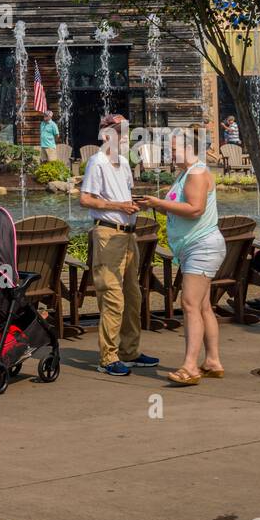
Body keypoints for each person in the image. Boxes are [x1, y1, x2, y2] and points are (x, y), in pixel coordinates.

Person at [142, 128, 227, 385]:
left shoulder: (197, 173)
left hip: (201, 247)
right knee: (202, 306)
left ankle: (190, 367)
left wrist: (157, 204)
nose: (170, 152)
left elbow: (195, 209)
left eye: (175, 148)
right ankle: (212, 361)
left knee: (189, 305)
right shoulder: (187, 173)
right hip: (197, 246)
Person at [79, 114, 158, 377]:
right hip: (108, 235)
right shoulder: (97, 161)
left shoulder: (123, 163)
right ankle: (108, 357)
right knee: (112, 296)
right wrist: (120, 206)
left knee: (133, 297)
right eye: (119, 133)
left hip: (128, 236)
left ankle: (130, 352)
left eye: (125, 133)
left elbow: (123, 195)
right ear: (105, 136)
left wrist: (136, 203)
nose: (124, 138)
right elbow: (86, 199)